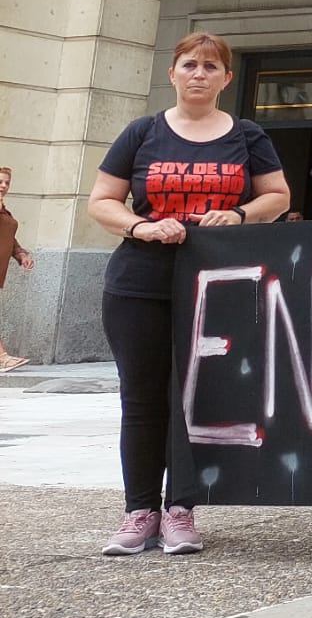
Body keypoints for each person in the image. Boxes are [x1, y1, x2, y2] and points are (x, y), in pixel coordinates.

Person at [86, 33, 290, 555]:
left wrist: (239, 214)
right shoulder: (142, 132)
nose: (199, 74)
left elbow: (278, 195)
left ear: (226, 78)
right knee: (143, 397)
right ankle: (139, 512)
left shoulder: (246, 135)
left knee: (198, 399)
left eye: (211, 66)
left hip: (217, 285)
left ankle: (181, 509)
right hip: (140, 283)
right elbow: (102, 202)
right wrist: (140, 227)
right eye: (189, 65)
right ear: (173, 73)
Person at [0, 167, 34, 372]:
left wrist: (21, 255)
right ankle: (2, 357)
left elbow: (9, 239)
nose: (3, 186)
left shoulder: (5, 211)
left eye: (7, 183)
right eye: (0, 181)